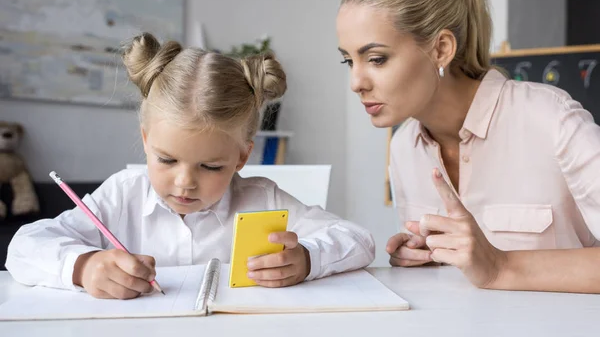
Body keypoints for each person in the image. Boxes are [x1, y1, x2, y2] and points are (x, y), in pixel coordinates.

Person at [6, 33, 375, 299]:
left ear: (241, 158)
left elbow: (359, 240)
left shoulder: (262, 198)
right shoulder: (123, 194)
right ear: (147, 140)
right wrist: (83, 267)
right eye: (166, 159)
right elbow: (23, 248)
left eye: (211, 167)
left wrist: (308, 259)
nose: (185, 182)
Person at [336, 0, 600, 293]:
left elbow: (493, 270)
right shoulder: (405, 148)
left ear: (441, 49)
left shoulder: (552, 121)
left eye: (376, 59)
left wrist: (501, 266)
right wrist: (428, 259)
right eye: (348, 61)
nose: (356, 83)